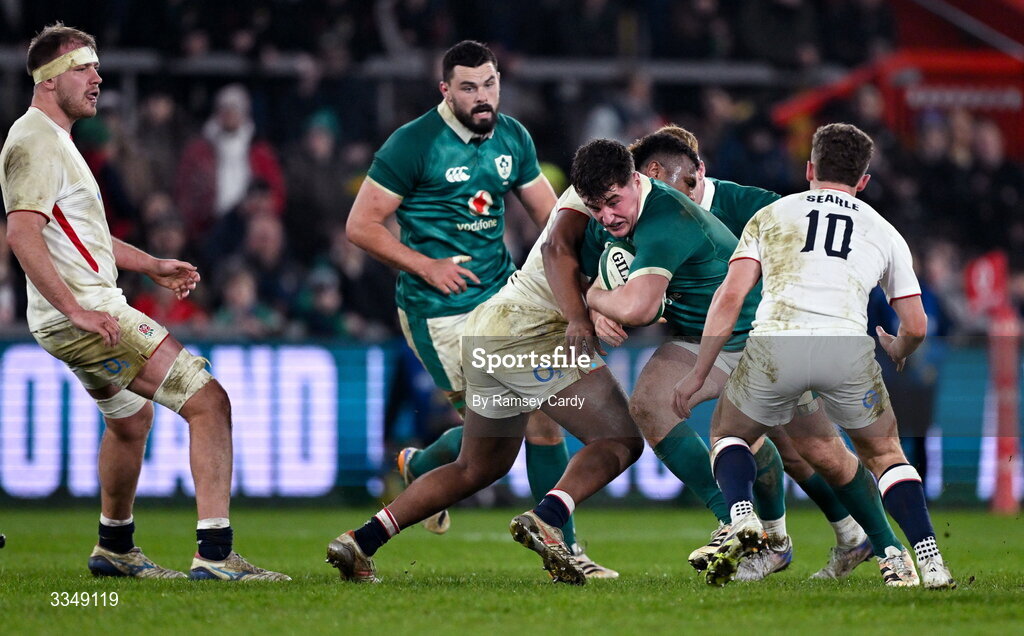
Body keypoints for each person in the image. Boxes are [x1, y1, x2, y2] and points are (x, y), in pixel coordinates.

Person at [0, 23, 288, 581]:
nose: (97, 77)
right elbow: (22, 235)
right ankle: (216, 554)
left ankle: (114, 546)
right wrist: (78, 311)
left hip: (76, 311)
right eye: (84, 67)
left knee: (131, 421)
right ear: (49, 78)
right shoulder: (33, 139)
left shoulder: (55, 141)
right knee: (209, 402)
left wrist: (151, 264)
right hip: (86, 312)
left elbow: (81, 234)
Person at [568, 138, 897, 584]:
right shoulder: (615, 216)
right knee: (657, 405)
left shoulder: (722, 208)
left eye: (614, 201)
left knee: (812, 450)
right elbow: (584, 264)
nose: (607, 216)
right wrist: (593, 308)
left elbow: (806, 242)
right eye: (597, 207)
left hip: (761, 334)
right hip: (697, 338)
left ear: (693, 174)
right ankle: (759, 536)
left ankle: (878, 543)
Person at [345, 40, 614, 577]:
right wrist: (426, 265)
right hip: (437, 310)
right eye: (468, 87)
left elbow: (551, 216)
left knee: (537, 419)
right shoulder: (413, 143)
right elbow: (360, 226)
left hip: (502, 298)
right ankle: (425, 475)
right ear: (445, 90)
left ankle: (560, 546)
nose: (482, 96)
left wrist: (595, 277)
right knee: (498, 434)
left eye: (489, 84)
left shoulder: (512, 136)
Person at [673, 123, 956, 589]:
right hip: (844, 347)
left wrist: (700, 372)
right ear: (863, 181)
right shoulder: (883, 230)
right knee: (885, 454)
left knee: (728, 433)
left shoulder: (771, 216)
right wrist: (897, 348)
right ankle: (927, 560)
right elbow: (918, 325)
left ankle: (744, 515)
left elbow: (730, 297)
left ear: (809, 168)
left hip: (775, 344)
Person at [327, 189, 644, 584]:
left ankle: (361, 540)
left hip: (491, 326)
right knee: (621, 438)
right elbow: (582, 267)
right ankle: (551, 524)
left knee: (477, 465)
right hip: (530, 334)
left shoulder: (580, 206)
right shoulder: (620, 215)